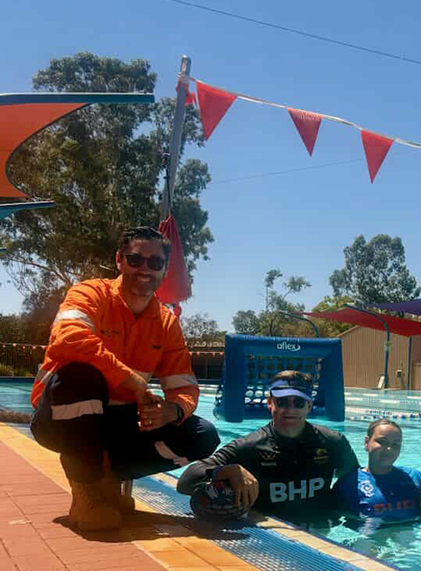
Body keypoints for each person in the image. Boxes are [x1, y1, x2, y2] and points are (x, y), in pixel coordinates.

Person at [30, 226, 219, 531]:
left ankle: (109, 475)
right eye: (136, 259)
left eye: (155, 263)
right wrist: (133, 381)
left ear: (165, 270)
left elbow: (183, 384)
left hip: (118, 424)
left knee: (203, 434)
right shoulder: (89, 293)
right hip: (58, 420)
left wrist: (173, 410)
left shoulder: (166, 323)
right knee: (80, 374)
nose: (145, 269)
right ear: (119, 260)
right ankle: (86, 494)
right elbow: (68, 339)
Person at [177, 370, 358, 520]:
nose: (290, 409)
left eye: (299, 402)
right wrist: (224, 471)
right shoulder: (249, 447)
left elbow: (355, 484)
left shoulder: (333, 442)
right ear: (270, 403)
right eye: (282, 401)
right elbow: (185, 482)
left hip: (322, 535)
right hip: (267, 536)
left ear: (309, 406)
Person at [332, 419, 421, 523]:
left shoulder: (415, 478)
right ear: (367, 442)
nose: (389, 449)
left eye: (395, 444)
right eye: (382, 442)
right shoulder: (349, 484)